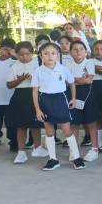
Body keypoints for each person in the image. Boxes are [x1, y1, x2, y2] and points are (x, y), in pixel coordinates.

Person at [31, 42, 85, 171]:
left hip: (60, 99)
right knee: (49, 132)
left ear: (57, 55)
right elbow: (34, 91)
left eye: (53, 53)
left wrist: (72, 98)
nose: (50, 56)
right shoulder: (38, 71)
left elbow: (71, 83)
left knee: (67, 130)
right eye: (46, 53)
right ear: (40, 55)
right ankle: (53, 159)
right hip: (45, 100)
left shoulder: (63, 69)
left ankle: (76, 157)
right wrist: (38, 110)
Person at [5, 41, 47, 164]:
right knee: (21, 125)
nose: (24, 57)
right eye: (21, 54)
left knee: (35, 124)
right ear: (16, 54)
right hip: (20, 96)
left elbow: (45, 80)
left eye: (27, 54)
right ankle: (21, 152)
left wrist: (33, 79)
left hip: (34, 95)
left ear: (32, 53)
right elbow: (9, 85)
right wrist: (21, 79)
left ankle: (38, 148)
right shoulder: (14, 66)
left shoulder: (39, 63)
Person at [65, 41, 100, 162]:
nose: (78, 51)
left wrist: (74, 79)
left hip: (88, 94)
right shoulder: (67, 64)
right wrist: (78, 79)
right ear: (70, 53)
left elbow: (88, 81)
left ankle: (94, 149)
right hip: (73, 94)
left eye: (81, 49)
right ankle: (73, 151)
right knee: (74, 123)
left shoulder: (90, 62)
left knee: (91, 123)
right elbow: (68, 81)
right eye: (75, 49)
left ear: (86, 52)